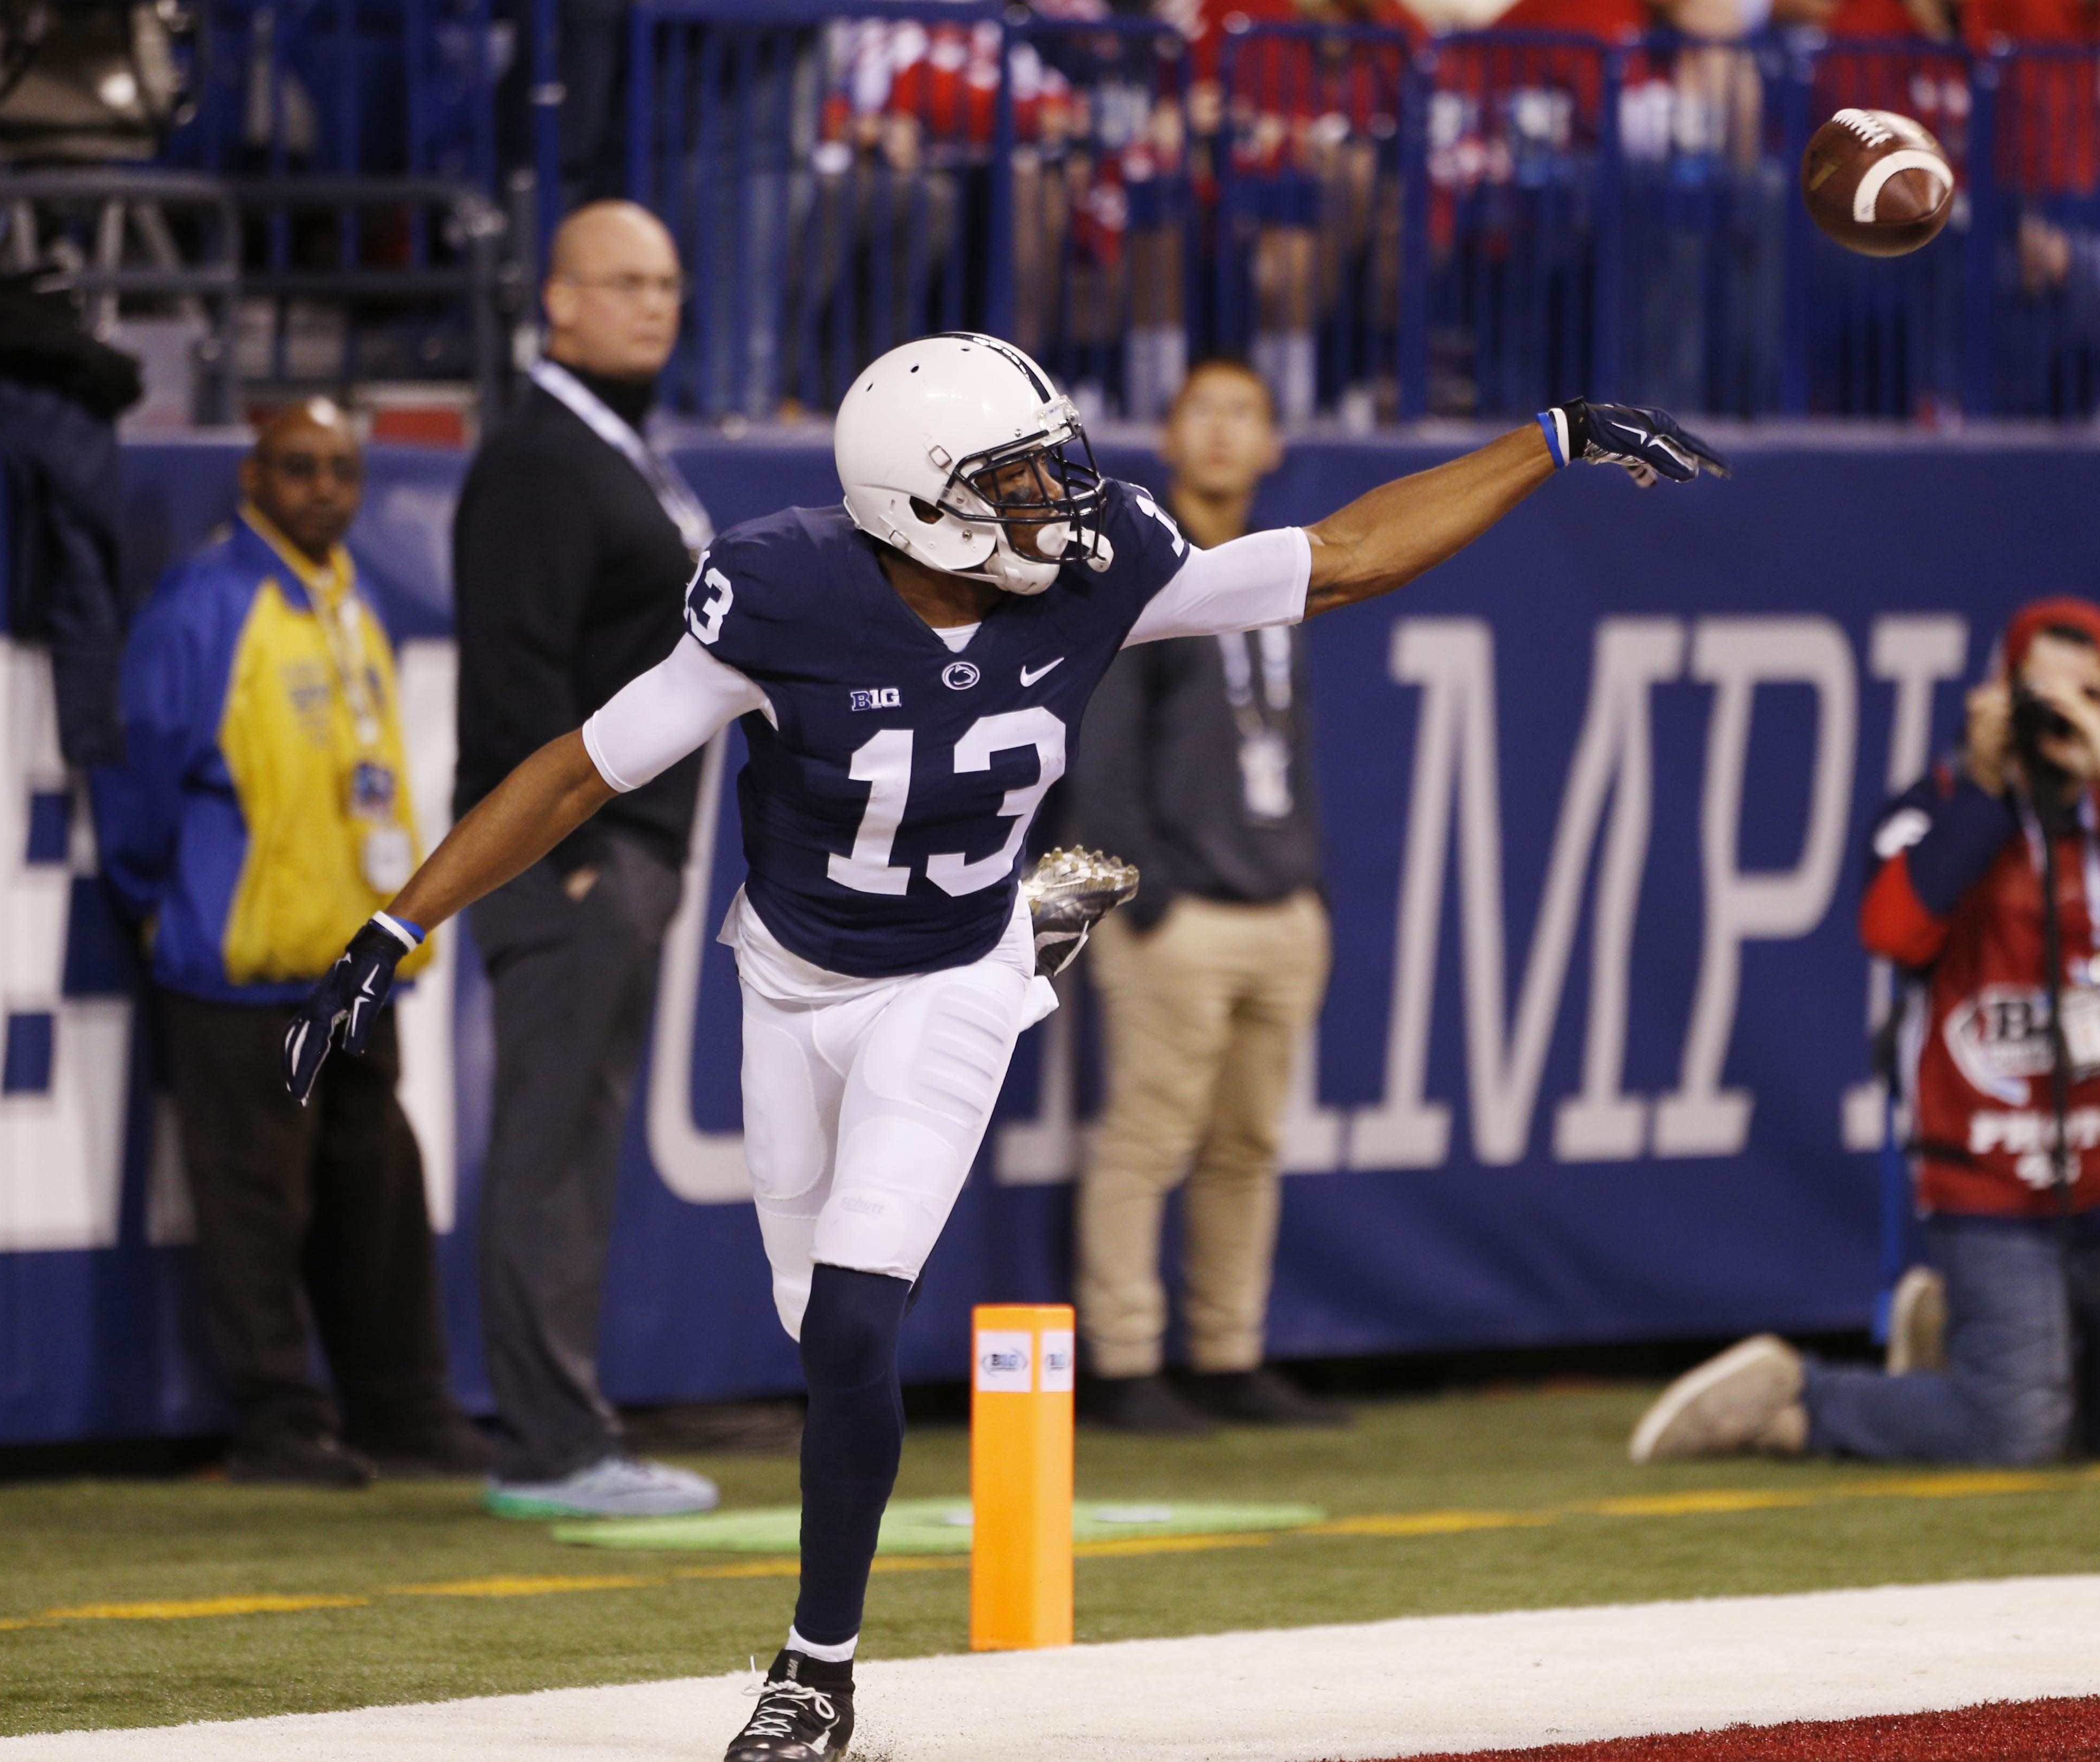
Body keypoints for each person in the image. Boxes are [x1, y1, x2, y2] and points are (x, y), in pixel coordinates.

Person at [281, 332, 1724, 1760]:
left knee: (855, 1322)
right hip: (785, 982)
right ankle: (1038, 922)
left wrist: (1551, 437)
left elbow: (1341, 555)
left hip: (942, 984)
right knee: (808, 1325)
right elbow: (583, 765)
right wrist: (396, 929)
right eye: (1013, 480)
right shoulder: (780, 587)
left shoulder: (1102, 567)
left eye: (1048, 467)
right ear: (914, 501)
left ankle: (816, 1671)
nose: (1055, 502)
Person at [1632, 598, 2100, 1468]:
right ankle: (1799, 1396)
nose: (2061, 717)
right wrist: (1989, 787)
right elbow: (1891, 930)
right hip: (1992, 1190)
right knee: (2017, 1434)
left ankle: (1960, 1352)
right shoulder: (1935, 808)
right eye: (2041, 694)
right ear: (1996, 693)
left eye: (2089, 695)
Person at [91, 400, 481, 1488]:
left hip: (349, 961)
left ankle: (401, 1406)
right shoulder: (204, 606)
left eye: (343, 471)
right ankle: (275, 1421)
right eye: (300, 468)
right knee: (256, 1207)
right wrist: (173, 907)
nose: (325, 489)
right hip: (240, 965)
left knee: (378, 1195)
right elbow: (140, 786)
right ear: (252, 479)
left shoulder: (350, 600)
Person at [451, 200, 721, 1520]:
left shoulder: (612, 448)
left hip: (621, 856)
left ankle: (564, 1429)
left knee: (575, 1144)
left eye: (667, 281)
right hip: (574, 861)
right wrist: (561, 862)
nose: (652, 303)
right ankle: (551, 1447)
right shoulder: (542, 459)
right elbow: (510, 679)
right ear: (555, 301)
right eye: (622, 281)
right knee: (550, 1149)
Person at [1069, 359, 1348, 1435]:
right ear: (1170, 437)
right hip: (1177, 916)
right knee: (1147, 1139)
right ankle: (1128, 1359)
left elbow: (1281, 743)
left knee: (1247, 1144)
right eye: (1205, 412)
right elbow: (1098, 753)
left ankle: (1230, 1350)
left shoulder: (1282, 570)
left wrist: (1307, 883)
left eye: (1249, 413)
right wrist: (1150, 898)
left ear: (1276, 445)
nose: (1227, 433)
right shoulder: (1137, 563)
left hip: (1279, 905)